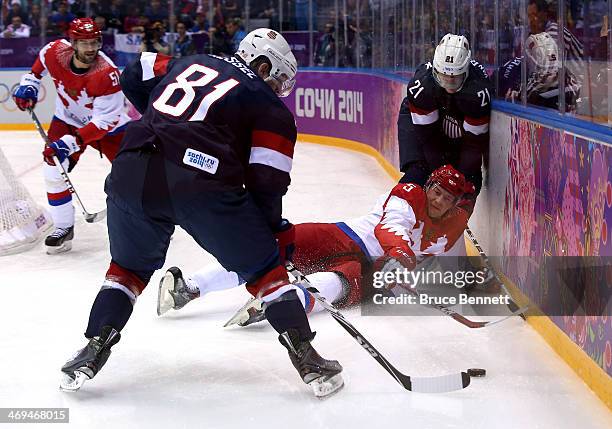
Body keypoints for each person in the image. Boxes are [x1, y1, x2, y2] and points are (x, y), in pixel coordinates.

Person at [58, 28, 343, 398]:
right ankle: (308, 360)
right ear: (260, 63)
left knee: (126, 270)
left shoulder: (191, 61)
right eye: (276, 77)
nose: (277, 87)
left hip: (131, 169)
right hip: (201, 183)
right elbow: (268, 182)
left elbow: (134, 71)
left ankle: (91, 349)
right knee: (265, 271)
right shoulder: (270, 107)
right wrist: (269, 233)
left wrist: (164, 122)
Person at [157, 165, 479, 325]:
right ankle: (190, 287)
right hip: (346, 235)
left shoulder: (453, 225)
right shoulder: (410, 193)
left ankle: (284, 303)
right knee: (274, 247)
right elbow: (390, 227)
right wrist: (401, 254)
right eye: (437, 191)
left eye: (447, 198)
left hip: (378, 270)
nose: (438, 200)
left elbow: (439, 258)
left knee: (346, 278)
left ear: (455, 204)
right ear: (429, 186)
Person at [12, 18, 130, 254]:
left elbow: (105, 122)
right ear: (73, 42)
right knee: (53, 169)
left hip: (110, 131)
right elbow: (34, 74)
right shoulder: (54, 52)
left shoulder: (107, 74)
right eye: (84, 43)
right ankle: (64, 227)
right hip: (66, 120)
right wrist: (28, 87)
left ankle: (153, 217)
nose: (91, 49)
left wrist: (71, 142)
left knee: (135, 176)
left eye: (95, 42)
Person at [397, 34, 492, 203]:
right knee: (419, 170)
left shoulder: (478, 92)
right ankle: (395, 214)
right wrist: (439, 173)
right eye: (443, 77)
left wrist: (458, 185)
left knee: (469, 181)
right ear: (435, 69)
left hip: (460, 124)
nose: (449, 83)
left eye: (455, 78)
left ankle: (454, 224)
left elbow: (473, 145)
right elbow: (427, 138)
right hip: (425, 125)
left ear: (466, 71)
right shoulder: (421, 86)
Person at [498, 32, 580, 113]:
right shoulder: (510, 74)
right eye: (543, 70)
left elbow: (572, 110)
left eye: (553, 69)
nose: (549, 76)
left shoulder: (568, 81)